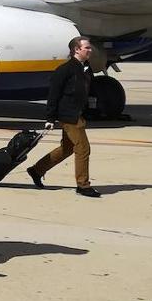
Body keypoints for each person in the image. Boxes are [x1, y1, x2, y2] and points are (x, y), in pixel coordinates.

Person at [27, 36, 100, 197]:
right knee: (83, 148)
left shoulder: (86, 68)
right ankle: (83, 185)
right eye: (86, 48)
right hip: (69, 115)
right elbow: (53, 95)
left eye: (89, 47)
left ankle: (36, 170)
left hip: (78, 113)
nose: (90, 50)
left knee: (67, 149)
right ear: (76, 49)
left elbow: (89, 90)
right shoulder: (65, 70)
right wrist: (50, 119)